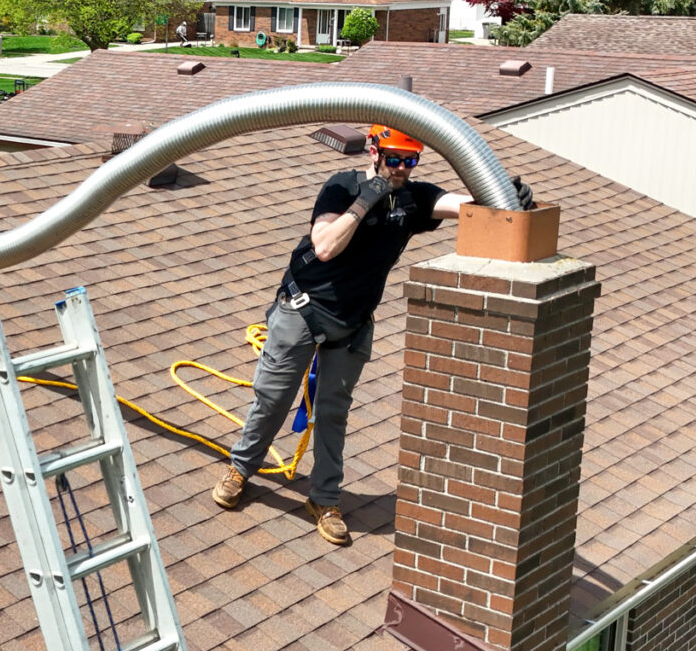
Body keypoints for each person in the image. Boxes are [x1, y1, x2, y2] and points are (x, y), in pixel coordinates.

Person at [212, 125, 534, 544]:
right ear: (374, 152)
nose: (401, 168)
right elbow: (324, 246)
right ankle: (241, 468)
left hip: (352, 322)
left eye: (410, 160)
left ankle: (325, 499)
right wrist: (366, 200)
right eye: (394, 159)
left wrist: (504, 197)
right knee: (273, 399)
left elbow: (464, 205)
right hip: (303, 310)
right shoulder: (342, 187)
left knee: (333, 412)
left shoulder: (414, 198)